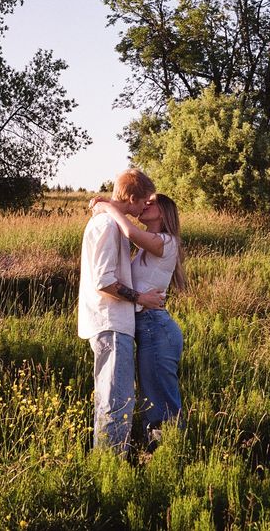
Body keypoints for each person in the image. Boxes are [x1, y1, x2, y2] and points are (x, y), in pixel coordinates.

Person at [78, 169, 164, 455]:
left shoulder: (111, 223)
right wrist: (141, 298)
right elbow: (103, 281)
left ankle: (111, 461)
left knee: (115, 398)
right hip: (111, 323)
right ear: (130, 198)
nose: (143, 209)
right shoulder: (107, 226)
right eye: (142, 202)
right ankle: (109, 466)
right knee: (116, 401)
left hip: (115, 323)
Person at [91, 193, 185, 449]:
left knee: (160, 402)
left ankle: (169, 456)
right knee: (151, 400)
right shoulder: (147, 248)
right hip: (148, 328)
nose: (145, 204)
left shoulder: (167, 241)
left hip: (156, 328)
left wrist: (108, 206)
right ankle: (158, 454)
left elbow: (130, 232)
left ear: (164, 213)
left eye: (152, 202)